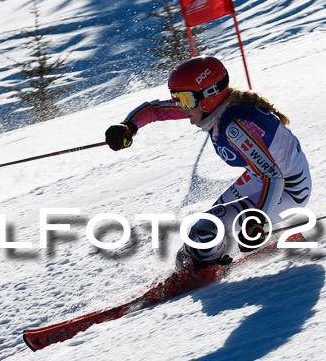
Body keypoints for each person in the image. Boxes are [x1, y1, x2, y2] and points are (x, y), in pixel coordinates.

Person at [104, 56, 311, 268]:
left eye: (184, 100)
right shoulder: (214, 107)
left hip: (289, 189)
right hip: (263, 178)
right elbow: (156, 110)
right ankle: (220, 254)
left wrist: (257, 221)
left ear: (210, 96)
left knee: (204, 230)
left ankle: (206, 267)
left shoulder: (236, 126)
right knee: (208, 229)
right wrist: (128, 126)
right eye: (177, 99)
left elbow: (273, 176)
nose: (181, 107)